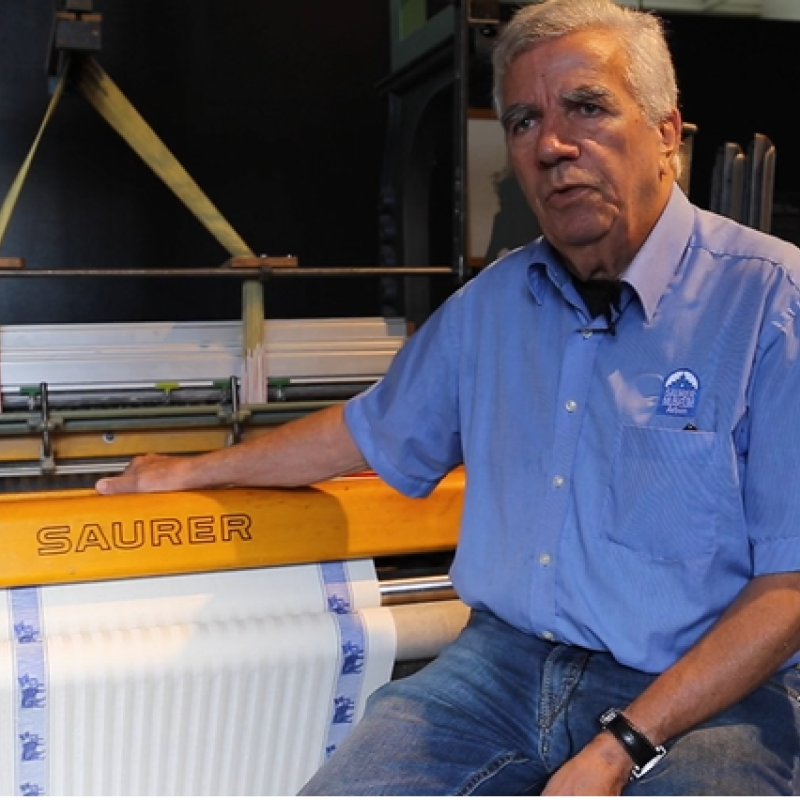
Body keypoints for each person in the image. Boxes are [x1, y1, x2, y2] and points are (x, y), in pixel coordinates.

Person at [96, 0, 800, 794]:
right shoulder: (489, 309)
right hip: (502, 667)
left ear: (666, 131)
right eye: (525, 121)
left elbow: (790, 589)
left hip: (706, 687)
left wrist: (620, 747)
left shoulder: (772, 302)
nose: (553, 145)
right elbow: (363, 432)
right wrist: (195, 471)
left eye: (587, 107)